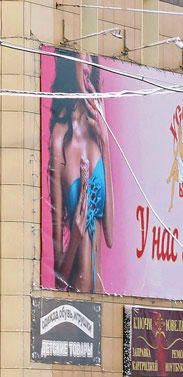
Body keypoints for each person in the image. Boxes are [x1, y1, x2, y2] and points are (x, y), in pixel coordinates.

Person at [47, 50, 113, 293]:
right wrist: (74, 237)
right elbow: (58, 279)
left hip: (101, 295)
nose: (87, 65)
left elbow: (110, 235)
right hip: (76, 300)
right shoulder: (58, 140)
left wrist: (105, 143)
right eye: (80, 57)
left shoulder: (98, 131)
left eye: (90, 58)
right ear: (67, 63)